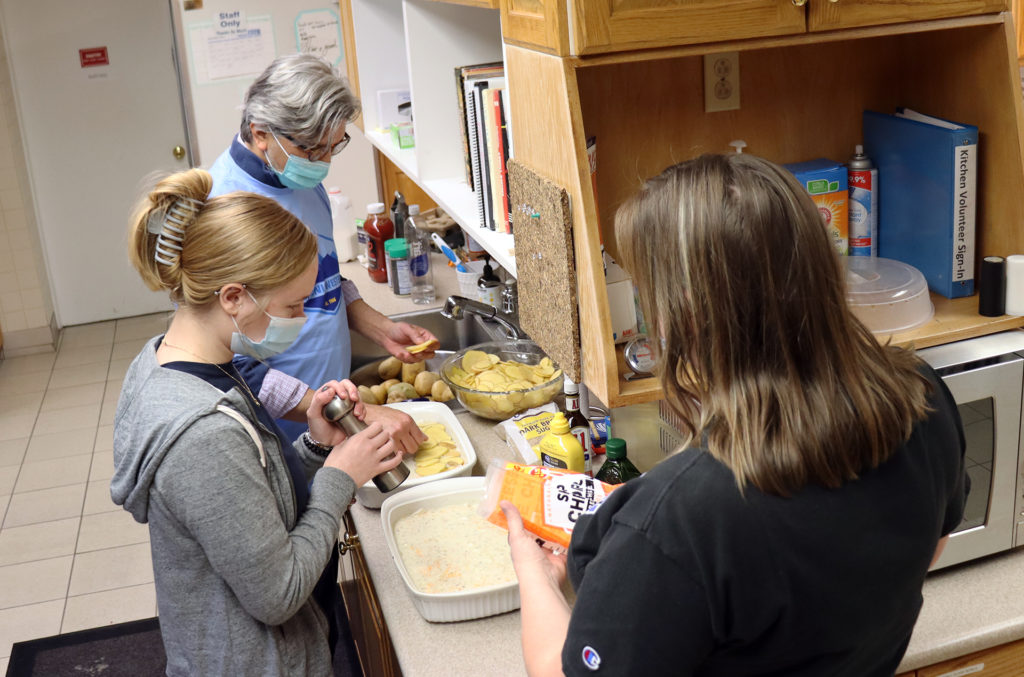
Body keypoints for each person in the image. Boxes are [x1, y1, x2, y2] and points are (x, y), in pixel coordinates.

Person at [502, 153, 968, 676]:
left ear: (687, 311)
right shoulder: (922, 395)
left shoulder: (683, 520)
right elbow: (930, 547)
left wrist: (534, 575)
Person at [111, 168, 404, 676]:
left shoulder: (169, 359)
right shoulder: (203, 434)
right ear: (232, 298)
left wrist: (315, 443)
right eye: (292, 305)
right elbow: (279, 593)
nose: (303, 317)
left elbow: (248, 506)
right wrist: (340, 476)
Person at [207, 52, 436, 442]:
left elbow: (326, 280)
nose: (325, 161)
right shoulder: (223, 210)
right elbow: (230, 364)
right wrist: (345, 412)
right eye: (312, 150)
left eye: (335, 145)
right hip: (280, 433)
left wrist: (381, 329)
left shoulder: (301, 181)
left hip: (332, 415)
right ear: (260, 131)